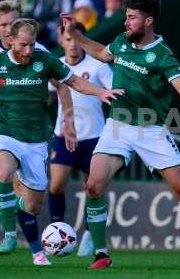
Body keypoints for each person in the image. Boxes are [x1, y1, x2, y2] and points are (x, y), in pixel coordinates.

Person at [61, 0, 180, 269]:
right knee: (93, 186)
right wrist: (75, 35)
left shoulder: (163, 56)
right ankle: (101, 254)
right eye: (126, 17)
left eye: (132, 18)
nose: (126, 23)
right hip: (117, 126)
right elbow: (102, 53)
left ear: (149, 21)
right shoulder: (122, 42)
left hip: (151, 131)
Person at [0, 18, 123, 265]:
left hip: (36, 140)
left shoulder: (45, 60)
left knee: (34, 205)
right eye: (23, 45)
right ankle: (9, 235)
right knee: (4, 173)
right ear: (11, 40)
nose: (28, 51)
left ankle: (10, 204)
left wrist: (100, 92)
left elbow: (74, 83)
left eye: (32, 45)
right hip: (5, 132)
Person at [48, 22, 113, 257]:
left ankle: (88, 234)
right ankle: (57, 228)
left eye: (76, 39)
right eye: (67, 39)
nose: (73, 44)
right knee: (55, 185)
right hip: (63, 135)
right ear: (61, 41)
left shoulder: (97, 65)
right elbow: (45, 96)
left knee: (93, 188)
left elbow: (113, 90)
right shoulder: (56, 66)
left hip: (94, 136)